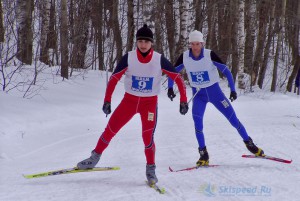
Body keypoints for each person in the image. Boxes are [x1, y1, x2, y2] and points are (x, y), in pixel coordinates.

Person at [77, 24, 189, 184]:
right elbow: (114, 78)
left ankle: (151, 170)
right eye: (140, 41)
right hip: (129, 102)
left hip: (149, 105)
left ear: (151, 43)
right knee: (110, 129)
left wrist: (183, 100)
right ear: (136, 42)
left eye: (146, 41)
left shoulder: (158, 59)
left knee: (147, 137)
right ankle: (94, 158)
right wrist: (107, 100)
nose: (143, 44)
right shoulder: (129, 57)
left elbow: (177, 78)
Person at [167, 30, 264, 167]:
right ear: (190, 44)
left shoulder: (209, 54)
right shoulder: (184, 57)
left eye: (198, 44)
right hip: (198, 95)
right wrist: (170, 88)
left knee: (233, 120)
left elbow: (226, 71)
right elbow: (172, 72)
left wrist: (233, 89)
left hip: (215, 93)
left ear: (202, 43)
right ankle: (203, 153)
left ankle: (249, 143)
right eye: (192, 44)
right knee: (197, 123)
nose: (195, 47)